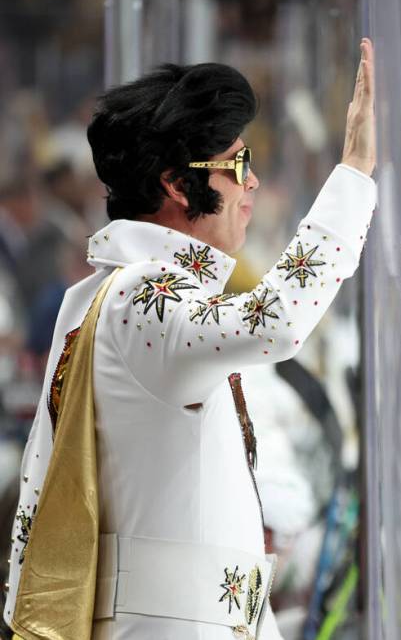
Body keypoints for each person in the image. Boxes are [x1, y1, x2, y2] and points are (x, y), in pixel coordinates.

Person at [3, 39, 376, 640]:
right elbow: (276, 319)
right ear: (178, 185)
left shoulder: (124, 295)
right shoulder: (138, 299)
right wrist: (354, 178)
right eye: (236, 164)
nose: (251, 182)